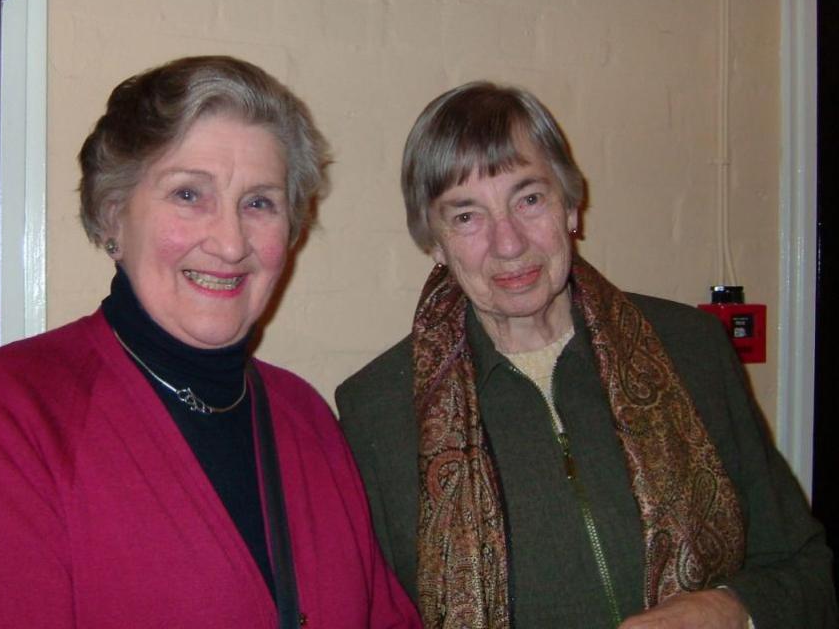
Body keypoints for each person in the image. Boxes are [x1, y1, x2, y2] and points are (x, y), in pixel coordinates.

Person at [0, 56, 421, 628]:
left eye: (259, 203)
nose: (230, 244)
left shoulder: (307, 417)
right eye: (189, 195)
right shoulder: (15, 408)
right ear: (112, 215)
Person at [336, 81, 837, 629]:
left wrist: (730, 609)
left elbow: (807, 569)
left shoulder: (690, 350)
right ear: (433, 241)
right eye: (466, 216)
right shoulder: (377, 411)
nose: (509, 244)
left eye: (529, 198)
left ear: (571, 205)